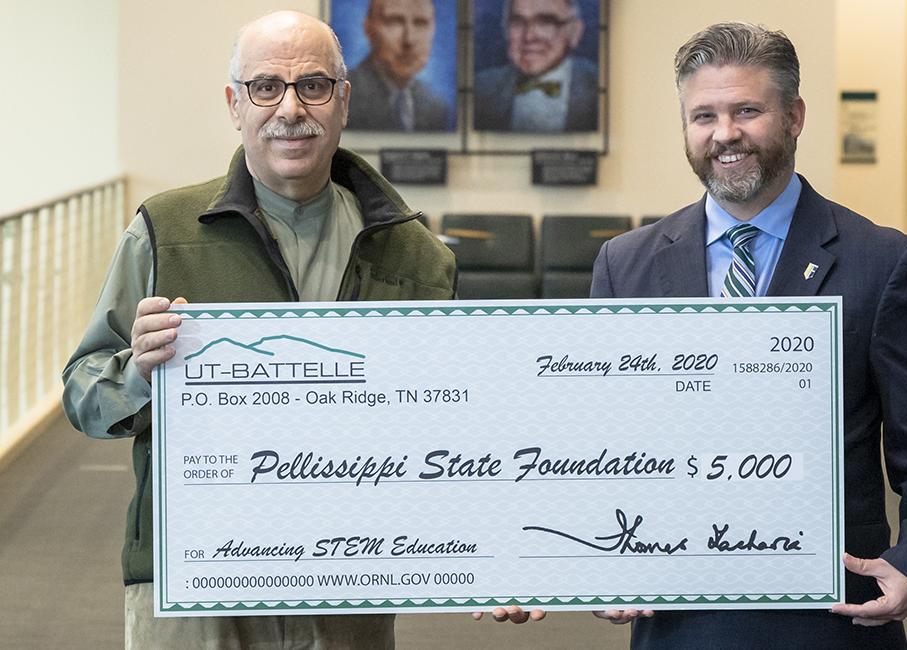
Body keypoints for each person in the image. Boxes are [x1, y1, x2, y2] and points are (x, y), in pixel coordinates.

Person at [62, 10, 455, 648]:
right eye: (266, 86)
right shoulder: (165, 230)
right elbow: (82, 395)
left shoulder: (416, 254)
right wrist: (137, 373)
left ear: (344, 101)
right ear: (234, 104)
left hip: (349, 576)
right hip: (192, 583)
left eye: (314, 86)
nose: (290, 108)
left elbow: (451, 423)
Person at [585, 22, 907, 648]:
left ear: (795, 116)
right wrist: (587, 565)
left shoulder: (882, 264)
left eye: (748, 110)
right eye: (703, 115)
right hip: (679, 622)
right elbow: (598, 440)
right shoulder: (625, 265)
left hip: (830, 618)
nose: (725, 134)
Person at [474, 0, 598, 133]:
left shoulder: (601, 87)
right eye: (518, 22)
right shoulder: (480, 89)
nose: (529, 36)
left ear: (575, 32)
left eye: (545, 23)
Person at [347, 0, 450, 131]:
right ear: (368, 28)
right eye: (395, 21)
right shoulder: (344, 97)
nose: (409, 40)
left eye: (420, 23)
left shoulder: (435, 107)